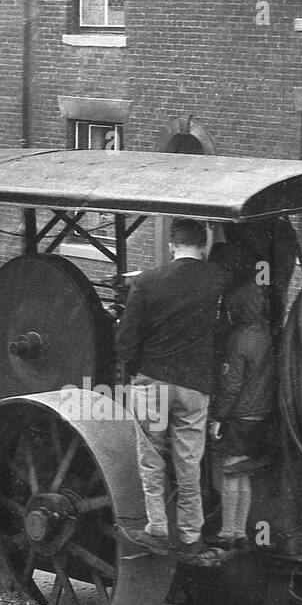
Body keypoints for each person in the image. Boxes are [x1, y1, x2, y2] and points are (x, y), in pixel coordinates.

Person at [117, 218, 228, 557]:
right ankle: (192, 535)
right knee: (189, 462)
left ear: (171, 244)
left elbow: (126, 339)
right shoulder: (216, 280)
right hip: (195, 386)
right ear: (203, 244)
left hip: (152, 382)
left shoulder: (149, 281)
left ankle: (158, 527)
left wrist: (133, 370)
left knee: (151, 457)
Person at [207, 244, 276, 550]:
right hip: (261, 414)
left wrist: (218, 418)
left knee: (229, 471)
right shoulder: (265, 334)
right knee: (243, 472)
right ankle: (243, 529)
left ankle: (229, 531)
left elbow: (231, 385)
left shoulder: (238, 340)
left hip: (241, 416)